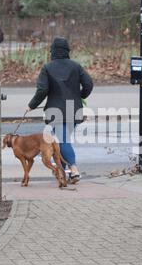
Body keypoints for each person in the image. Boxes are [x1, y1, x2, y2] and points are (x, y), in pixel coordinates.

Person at [27, 37, 94, 184]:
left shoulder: (48, 68)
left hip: (55, 111)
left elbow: (42, 89)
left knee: (62, 141)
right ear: (67, 51)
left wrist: (32, 105)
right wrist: (81, 95)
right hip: (74, 110)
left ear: (53, 52)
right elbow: (88, 83)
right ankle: (62, 173)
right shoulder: (76, 66)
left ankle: (74, 169)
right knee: (60, 141)